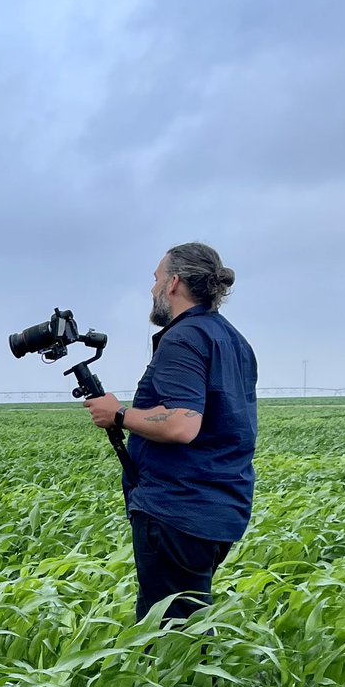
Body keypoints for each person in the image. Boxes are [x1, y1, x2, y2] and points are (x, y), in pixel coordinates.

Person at [84, 242, 257, 625]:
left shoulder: (183, 338)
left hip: (179, 510)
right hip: (219, 508)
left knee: (172, 635)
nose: (152, 288)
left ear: (174, 282)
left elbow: (182, 423)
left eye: (157, 278)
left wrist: (119, 415)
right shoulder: (232, 339)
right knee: (190, 619)